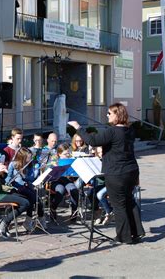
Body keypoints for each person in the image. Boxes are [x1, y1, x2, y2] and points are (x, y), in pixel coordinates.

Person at [68, 102, 145, 244]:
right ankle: (137, 232)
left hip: (117, 172)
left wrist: (78, 127)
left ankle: (124, 237)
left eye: (110, 113)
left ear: (117, 114)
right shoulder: (129, 130)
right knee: (129, 201)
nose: (107, 115)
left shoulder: (113, 131)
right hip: (131, 171)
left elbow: (92, 140)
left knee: (119, 205)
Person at [6, 147, 46, 231]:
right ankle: (34, 220)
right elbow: (8, 178)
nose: (30, 159)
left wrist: (25, 176)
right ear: (22, 157)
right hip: (16, 188)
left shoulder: (29, 165)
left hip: (26, 187)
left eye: (30, 157)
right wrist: (10, 180)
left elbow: (31, 178)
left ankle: (30, 221)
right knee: (34, 198)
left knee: (34, 198)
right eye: (28, 157)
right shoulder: (13, 164)